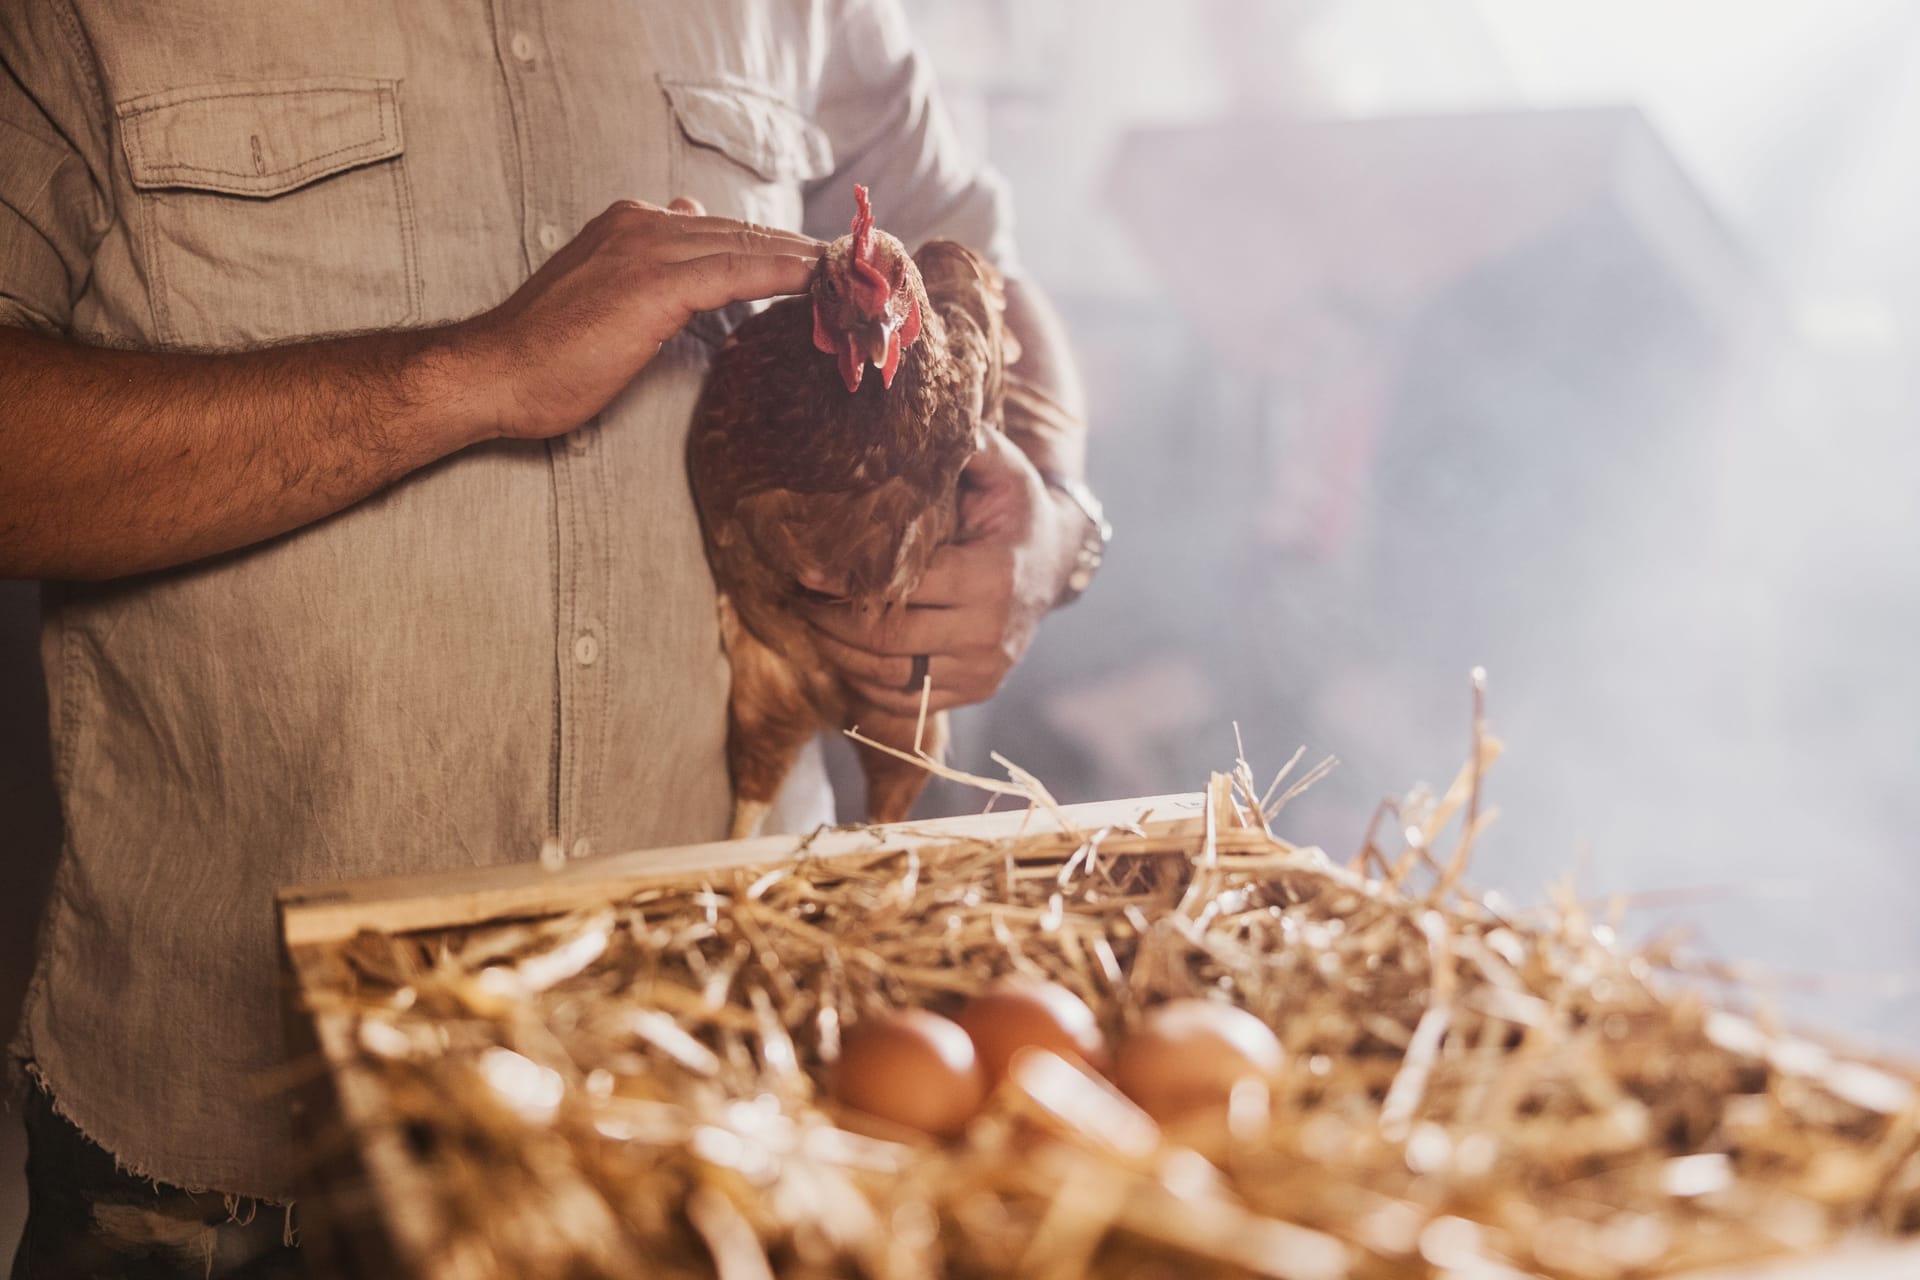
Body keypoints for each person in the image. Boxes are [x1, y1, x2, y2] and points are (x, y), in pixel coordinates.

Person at [0, 2, 1099, 1273]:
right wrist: (473, 373)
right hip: (239, 1162)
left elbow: (984, 262)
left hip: (717, 1077)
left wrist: (1052, 519)